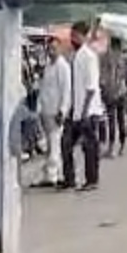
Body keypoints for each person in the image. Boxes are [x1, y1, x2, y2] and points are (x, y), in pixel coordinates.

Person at [66, 20, 104, 191]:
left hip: (88, 111)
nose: (72, 39)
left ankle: (92, 180)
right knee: (67, 144)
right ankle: (70, 179)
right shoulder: (78, 55)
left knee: (89, 147)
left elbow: (91, 87)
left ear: (82, 36)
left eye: (74, 35)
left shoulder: (88, 56)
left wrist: (84, 111)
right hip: (78, 110)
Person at [36, 36, 72, 187]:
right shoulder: (48, 66)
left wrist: (62, 111)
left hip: (56, 112)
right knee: (48, 146)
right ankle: (49, 174)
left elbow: (66, 91)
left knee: (55, 144)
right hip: (46, 110)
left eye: (54, 48)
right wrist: (39, 107)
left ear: (60, 49)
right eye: (49, 49)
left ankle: (53, 175)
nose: (51, 51)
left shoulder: (63, 67)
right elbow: (43, 88)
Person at [99, 33, 127, 156]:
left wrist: (104, 90)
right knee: (121, 119)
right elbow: (126, 76)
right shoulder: (124, 59)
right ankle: (122, 146)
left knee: (112, 121)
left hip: (111, 93)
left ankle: (111, 148)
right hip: (122, 92)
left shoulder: (106, 57)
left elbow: (105, 77)